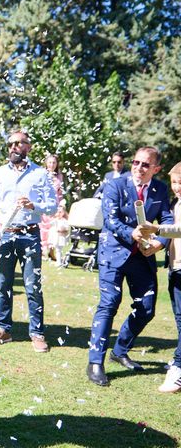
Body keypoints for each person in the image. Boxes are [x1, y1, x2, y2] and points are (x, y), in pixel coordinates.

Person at [87, 146, 173, 387]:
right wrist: (131, 232)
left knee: (146, 308)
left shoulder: (160, 189)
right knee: (109, 304)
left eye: (145, 165)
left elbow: (166, 219)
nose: (138, 168)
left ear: (156, 169)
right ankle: (95, 361)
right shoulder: (115, 184)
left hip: (142, 256)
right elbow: (110, 219)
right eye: (135, 162)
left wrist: (160, 242)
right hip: (112, 253)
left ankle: (120, 350)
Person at [0, 130, 57, 352]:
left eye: (19, 143)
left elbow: (52, 206)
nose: (14, 147)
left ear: (28, 146)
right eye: (11, 144)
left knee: (32, 286)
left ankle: (37, 333)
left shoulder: (41, 174)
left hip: (29, 234)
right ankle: (3, 330)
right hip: (3, 235)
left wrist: (34, 205)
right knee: (4, 285)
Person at [137, 161, 181, 393]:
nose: (177, 187)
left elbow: (179, 229)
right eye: (174, 182)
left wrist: (157, 230)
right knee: (179, 318)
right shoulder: (176, 203)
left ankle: (178, 370)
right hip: (175, 267)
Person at [47, 201, 70, 266]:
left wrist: (61, 230)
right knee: (57, 249)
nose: (59, 213)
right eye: (58, 212)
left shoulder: (64, 221)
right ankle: (59, 260)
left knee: (58, 249)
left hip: (60, 237)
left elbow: (67, 229)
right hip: (55, 237)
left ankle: (59, 262)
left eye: (60, 212)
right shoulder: (55, 220)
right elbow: (50, 224)